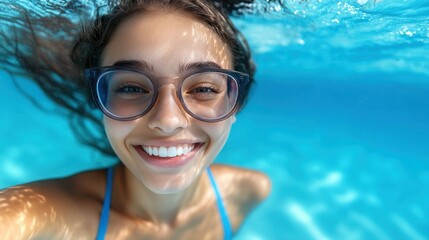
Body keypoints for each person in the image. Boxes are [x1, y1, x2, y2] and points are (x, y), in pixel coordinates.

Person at [0, 0, 271, 239]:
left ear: (236, 104)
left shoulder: (248, 191)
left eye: (203, 89)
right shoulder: (54, 214)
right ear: (101, 100)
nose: (167, 120)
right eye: (131, 88)